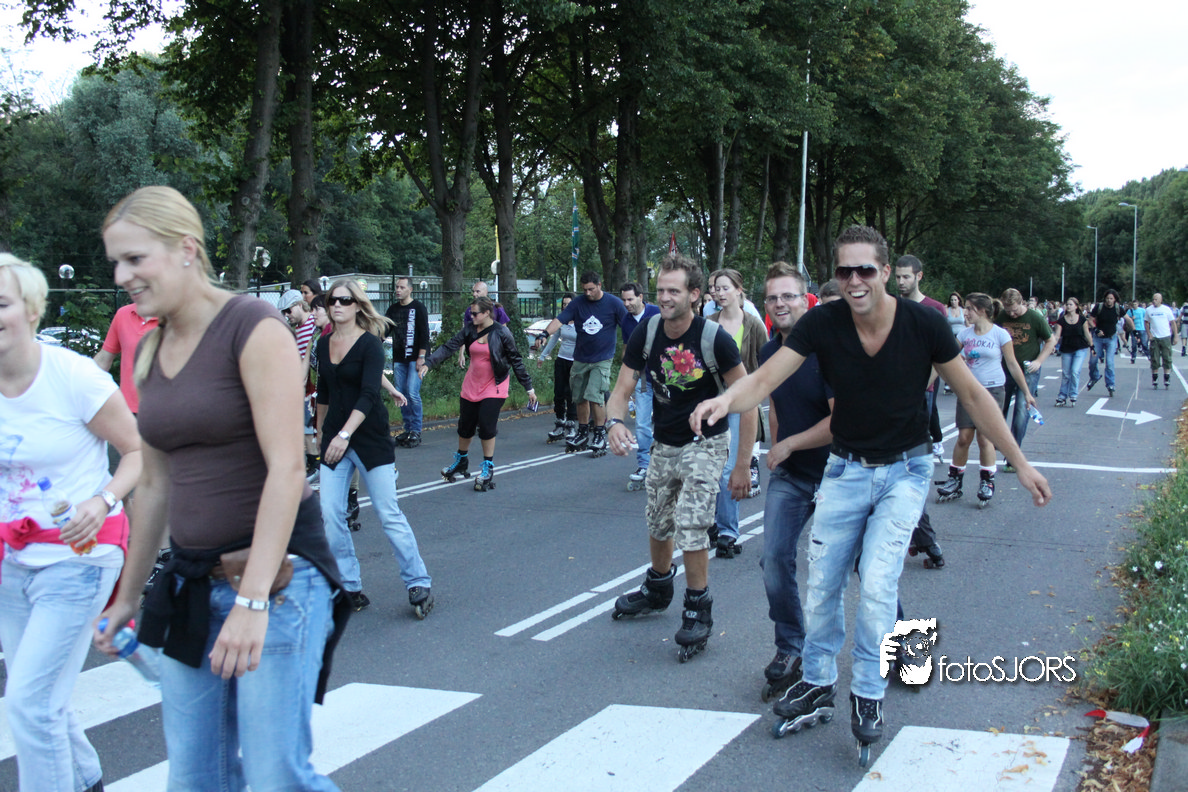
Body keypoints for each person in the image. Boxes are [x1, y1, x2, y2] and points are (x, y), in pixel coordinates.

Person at [690, 225, 1051, 760]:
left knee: (878, 583)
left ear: (884, 271)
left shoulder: (924, 324)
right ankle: (817, 680)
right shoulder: (823, 322)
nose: (854, 280)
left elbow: (974, 395)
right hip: (845, 469)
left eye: (865, 269)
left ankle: (867, 692)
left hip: (905, 470)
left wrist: (1018, 463)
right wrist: (725, 402)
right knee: (822, 584)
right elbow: (764, 380)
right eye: (844, 271)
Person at [93, 186, 344, 791]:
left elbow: (287, 469)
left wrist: (252, 601)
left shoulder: (251, 326)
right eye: (116, 263)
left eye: (135, 258)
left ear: (186, 249)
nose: (122, 276)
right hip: (190, 582)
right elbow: (155, 484)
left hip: (278, 580)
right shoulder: (151, 346)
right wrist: (127, 596)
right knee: (196, 778)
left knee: (276, 776)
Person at [0, 255, 140, 792]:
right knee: (42, 699)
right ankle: (85, 782)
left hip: (79, 558)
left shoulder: (74, 376)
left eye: (2, 304)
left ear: (31, 310)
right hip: (12, 562)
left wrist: (103, 500)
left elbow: (138, 453)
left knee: (30, 704)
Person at [605, 253, 754, 661]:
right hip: (665, 442)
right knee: (658, 519)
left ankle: (697, 605)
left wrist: (742, 464)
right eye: (660, 290)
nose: (665, 297)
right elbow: (621, 388)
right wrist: (614, 422)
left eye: (674, 290)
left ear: (694, 294)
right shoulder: (648, 331)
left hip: (706, 442)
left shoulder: (714, 339)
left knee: (690, 522)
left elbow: (748, 401)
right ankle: (658, 587)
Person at [316, 279, 434, 617]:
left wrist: (344, 435)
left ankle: (418, 581)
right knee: (331, 514)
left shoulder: (369, 344)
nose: (337, 306)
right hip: (335, 438)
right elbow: (324, 391)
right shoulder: (323, 345)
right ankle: (348, 585)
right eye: (332, 300)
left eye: (344, 300)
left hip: (368, 437)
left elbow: (368, 394)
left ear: (357, 305)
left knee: (387, 512)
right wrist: (321, 435)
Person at [755, 262, 833, 701]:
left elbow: (841, 422)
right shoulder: (770, 353)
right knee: (773, 559)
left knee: (867, 568)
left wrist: (789, 444)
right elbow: (775, 405)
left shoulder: (829, 350)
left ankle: (902, 645)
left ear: (806, 300)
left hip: (841, 474)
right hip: (792, 475)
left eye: (788, 296)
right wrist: (776, 446)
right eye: (773, 297)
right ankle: (790, 647)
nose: (780, 303)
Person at [420, 296, 537, 490]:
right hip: (472, 384)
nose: (471, 317)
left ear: (487, 313)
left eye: (475, 314)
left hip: (495, 385)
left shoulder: (502, 333)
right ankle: (461, 460)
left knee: (486, 426)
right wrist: (429, 363)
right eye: (470, 314)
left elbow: (516, 360)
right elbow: (450, 346)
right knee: (465, 426)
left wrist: (529, 388)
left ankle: (487, 467)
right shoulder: (470, 330)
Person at [935, 293, 1035, 508]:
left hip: (993, 390)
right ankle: (955, 479)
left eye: (969, 308)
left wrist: (1027, 392)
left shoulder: (1000, 334)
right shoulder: (964, 334)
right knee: (963, 437)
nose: (965, 313)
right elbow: (946, 358)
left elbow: (1013, 364)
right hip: (969, 390)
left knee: (985, 438)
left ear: (981, 311)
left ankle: (987, 481)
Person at [707, 268, 765, 557]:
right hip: (712, 403)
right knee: (709, 468)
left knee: (730, 469)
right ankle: (712, 523)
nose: (719, 293)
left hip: (741, 404)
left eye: (725, 288)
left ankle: (728, 531)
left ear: (739, 290)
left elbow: (766, 364)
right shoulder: (707, 324)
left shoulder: (753, 325)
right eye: (716, 288)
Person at [541, 271, 629, 455]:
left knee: (595, 396)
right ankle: (582, 432)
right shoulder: (578, 303)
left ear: (599, 285)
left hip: (602, 358)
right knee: (579, 397)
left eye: (591, 289)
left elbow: (628, 325)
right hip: (580, 358)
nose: (588, 293)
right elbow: (560, 320)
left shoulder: (613, 303)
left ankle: (599, 434)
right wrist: (544, 333)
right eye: (585, 290)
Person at [994, 288, 1055, 470]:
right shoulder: (1002, 317)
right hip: (1005, 370)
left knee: (1021, 410)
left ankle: (1013, 456)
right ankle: (998, 441)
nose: (1011, 314)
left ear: (1022, 303)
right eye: (1008, 310)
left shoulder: (1035, 318)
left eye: (1014, 310)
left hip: (1028, 370)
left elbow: (1051, 340)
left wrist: (1039, 361)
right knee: (998, 408)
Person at [619, 282, 660, 489]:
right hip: (643, 378)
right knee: (642, 423)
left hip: (665, 377)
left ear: (641, 297)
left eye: (630, 299)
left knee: (665, 422)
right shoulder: (626, 321)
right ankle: (644, 465)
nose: (627, 304)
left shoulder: (657, 313)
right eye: (624, 300)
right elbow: (627, 350)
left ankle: (667, 462)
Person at [385, 276, 431, 449]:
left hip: (415, 358)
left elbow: (424, 333)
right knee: (401, 394)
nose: (398, 290)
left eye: (402, 287)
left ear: (410, 289)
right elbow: (385, 330)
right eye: (397, 287)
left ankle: (416, 430)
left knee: (412, 392)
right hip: (399, 358)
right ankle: (408, 429)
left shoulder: (418, 307)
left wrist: (421, 357)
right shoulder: (393, 309)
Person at [280, 289, 321, 479]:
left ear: (298, 305)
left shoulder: (314, 323)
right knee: (306, 425)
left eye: (288, 311)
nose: (287, 315)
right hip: (307, 384)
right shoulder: (297, 330)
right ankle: (314, 462)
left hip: (320, 382)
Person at [94, 301, 159, 414]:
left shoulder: (179, 317)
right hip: (128, 412)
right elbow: (103, 360)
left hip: (169, 411)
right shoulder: (123, 314)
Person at [539, 294, 578, 443]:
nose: (565, 307)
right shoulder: (561, 321)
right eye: (564, 304)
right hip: (562, 360)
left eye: (569, 304)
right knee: (559, 393)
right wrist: (543, 356)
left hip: (575, 362)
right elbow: (554, 339)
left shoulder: (580, 322)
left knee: (571, 394)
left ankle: (571, 425)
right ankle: (560, 423)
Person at [1052, 297, 1093, 407]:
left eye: (1071, 304)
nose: (1068, 306)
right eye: (1067, 304)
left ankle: (1073, 394)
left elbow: (1087, 334)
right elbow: (1057, 336)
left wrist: (1092, 347)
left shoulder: (1082, 319)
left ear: (1076, 306)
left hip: (1080, 348)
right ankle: (1062, 396)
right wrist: (1052, 345)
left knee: (1075, 371)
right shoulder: (1061, 320)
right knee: (1066, 374)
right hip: (1066, 349)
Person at [1087, 289, 1123, 397]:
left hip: (1111, 338)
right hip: (1098, 338)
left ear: (1115, 299)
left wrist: (1134, 331)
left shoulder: (1117, 308)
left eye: (1111, 298)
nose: (1109, 301)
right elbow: (1090, 319)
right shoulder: (1099, 307)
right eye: (1107, 298)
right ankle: (1094, 377)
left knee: (1109, 362)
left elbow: (1128, 319)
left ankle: (1110, 384)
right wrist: (1096, 329)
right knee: (1093, 361)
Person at [1145, 292, 1178, 390]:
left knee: (1167, 357)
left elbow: (1173, 323)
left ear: (1160, 300)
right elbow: (1146, 322)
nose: (1154, 301)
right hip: (1154, 337)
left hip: (1165, 336)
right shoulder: (1148, 310)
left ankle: (1166, 377)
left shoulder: (1166, 309)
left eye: (1156, 299)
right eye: (1153, 299)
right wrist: (1149, 334)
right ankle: (1155, 378)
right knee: (1154, 358)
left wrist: (1175, 336)